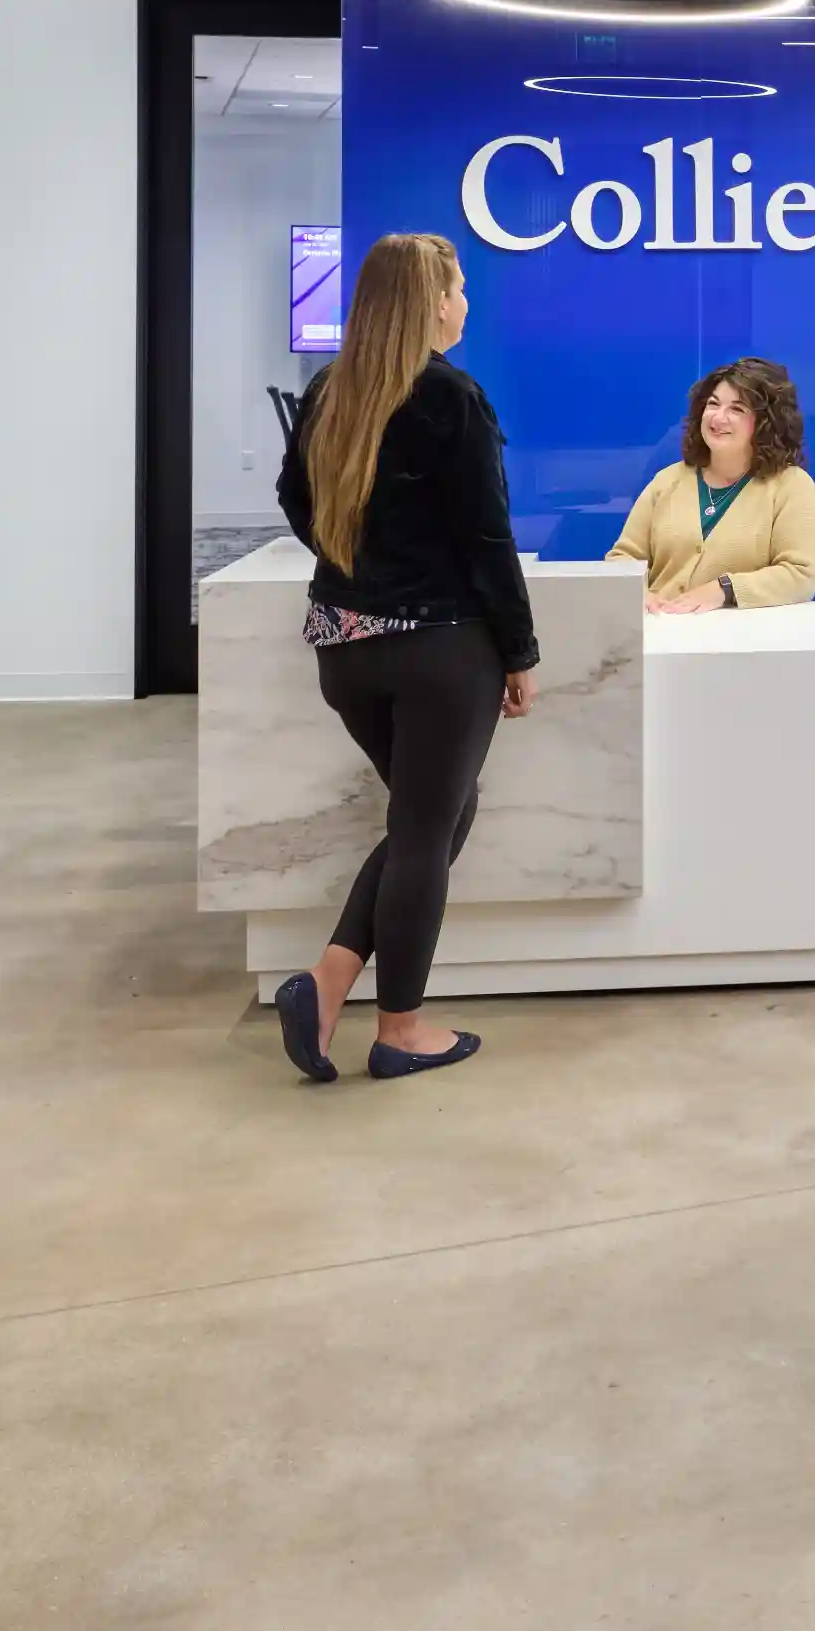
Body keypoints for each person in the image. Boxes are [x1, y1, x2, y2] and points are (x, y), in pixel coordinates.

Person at [273, 231, 539, 1083]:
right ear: (429, 302)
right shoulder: (451, 399)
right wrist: (520, 650)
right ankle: (400, 1028)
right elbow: (488, 540)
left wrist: (358, 560)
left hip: (345, 650)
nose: (466, 303)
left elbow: (292, 497)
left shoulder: (329, 391)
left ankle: (327, 982)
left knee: (433, 817)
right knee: (426, 832)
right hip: (439, 651)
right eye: (459, 288)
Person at [607, 357, 815, 615]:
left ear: (766, 422)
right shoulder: (666, 481)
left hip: (743, 643)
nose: (718, 417)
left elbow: (801, 574)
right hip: (661, 634)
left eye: (737, 409)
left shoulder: (792, 486)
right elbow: (622, 558)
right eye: (713, 404)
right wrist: (640, 593)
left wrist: (724, 590)